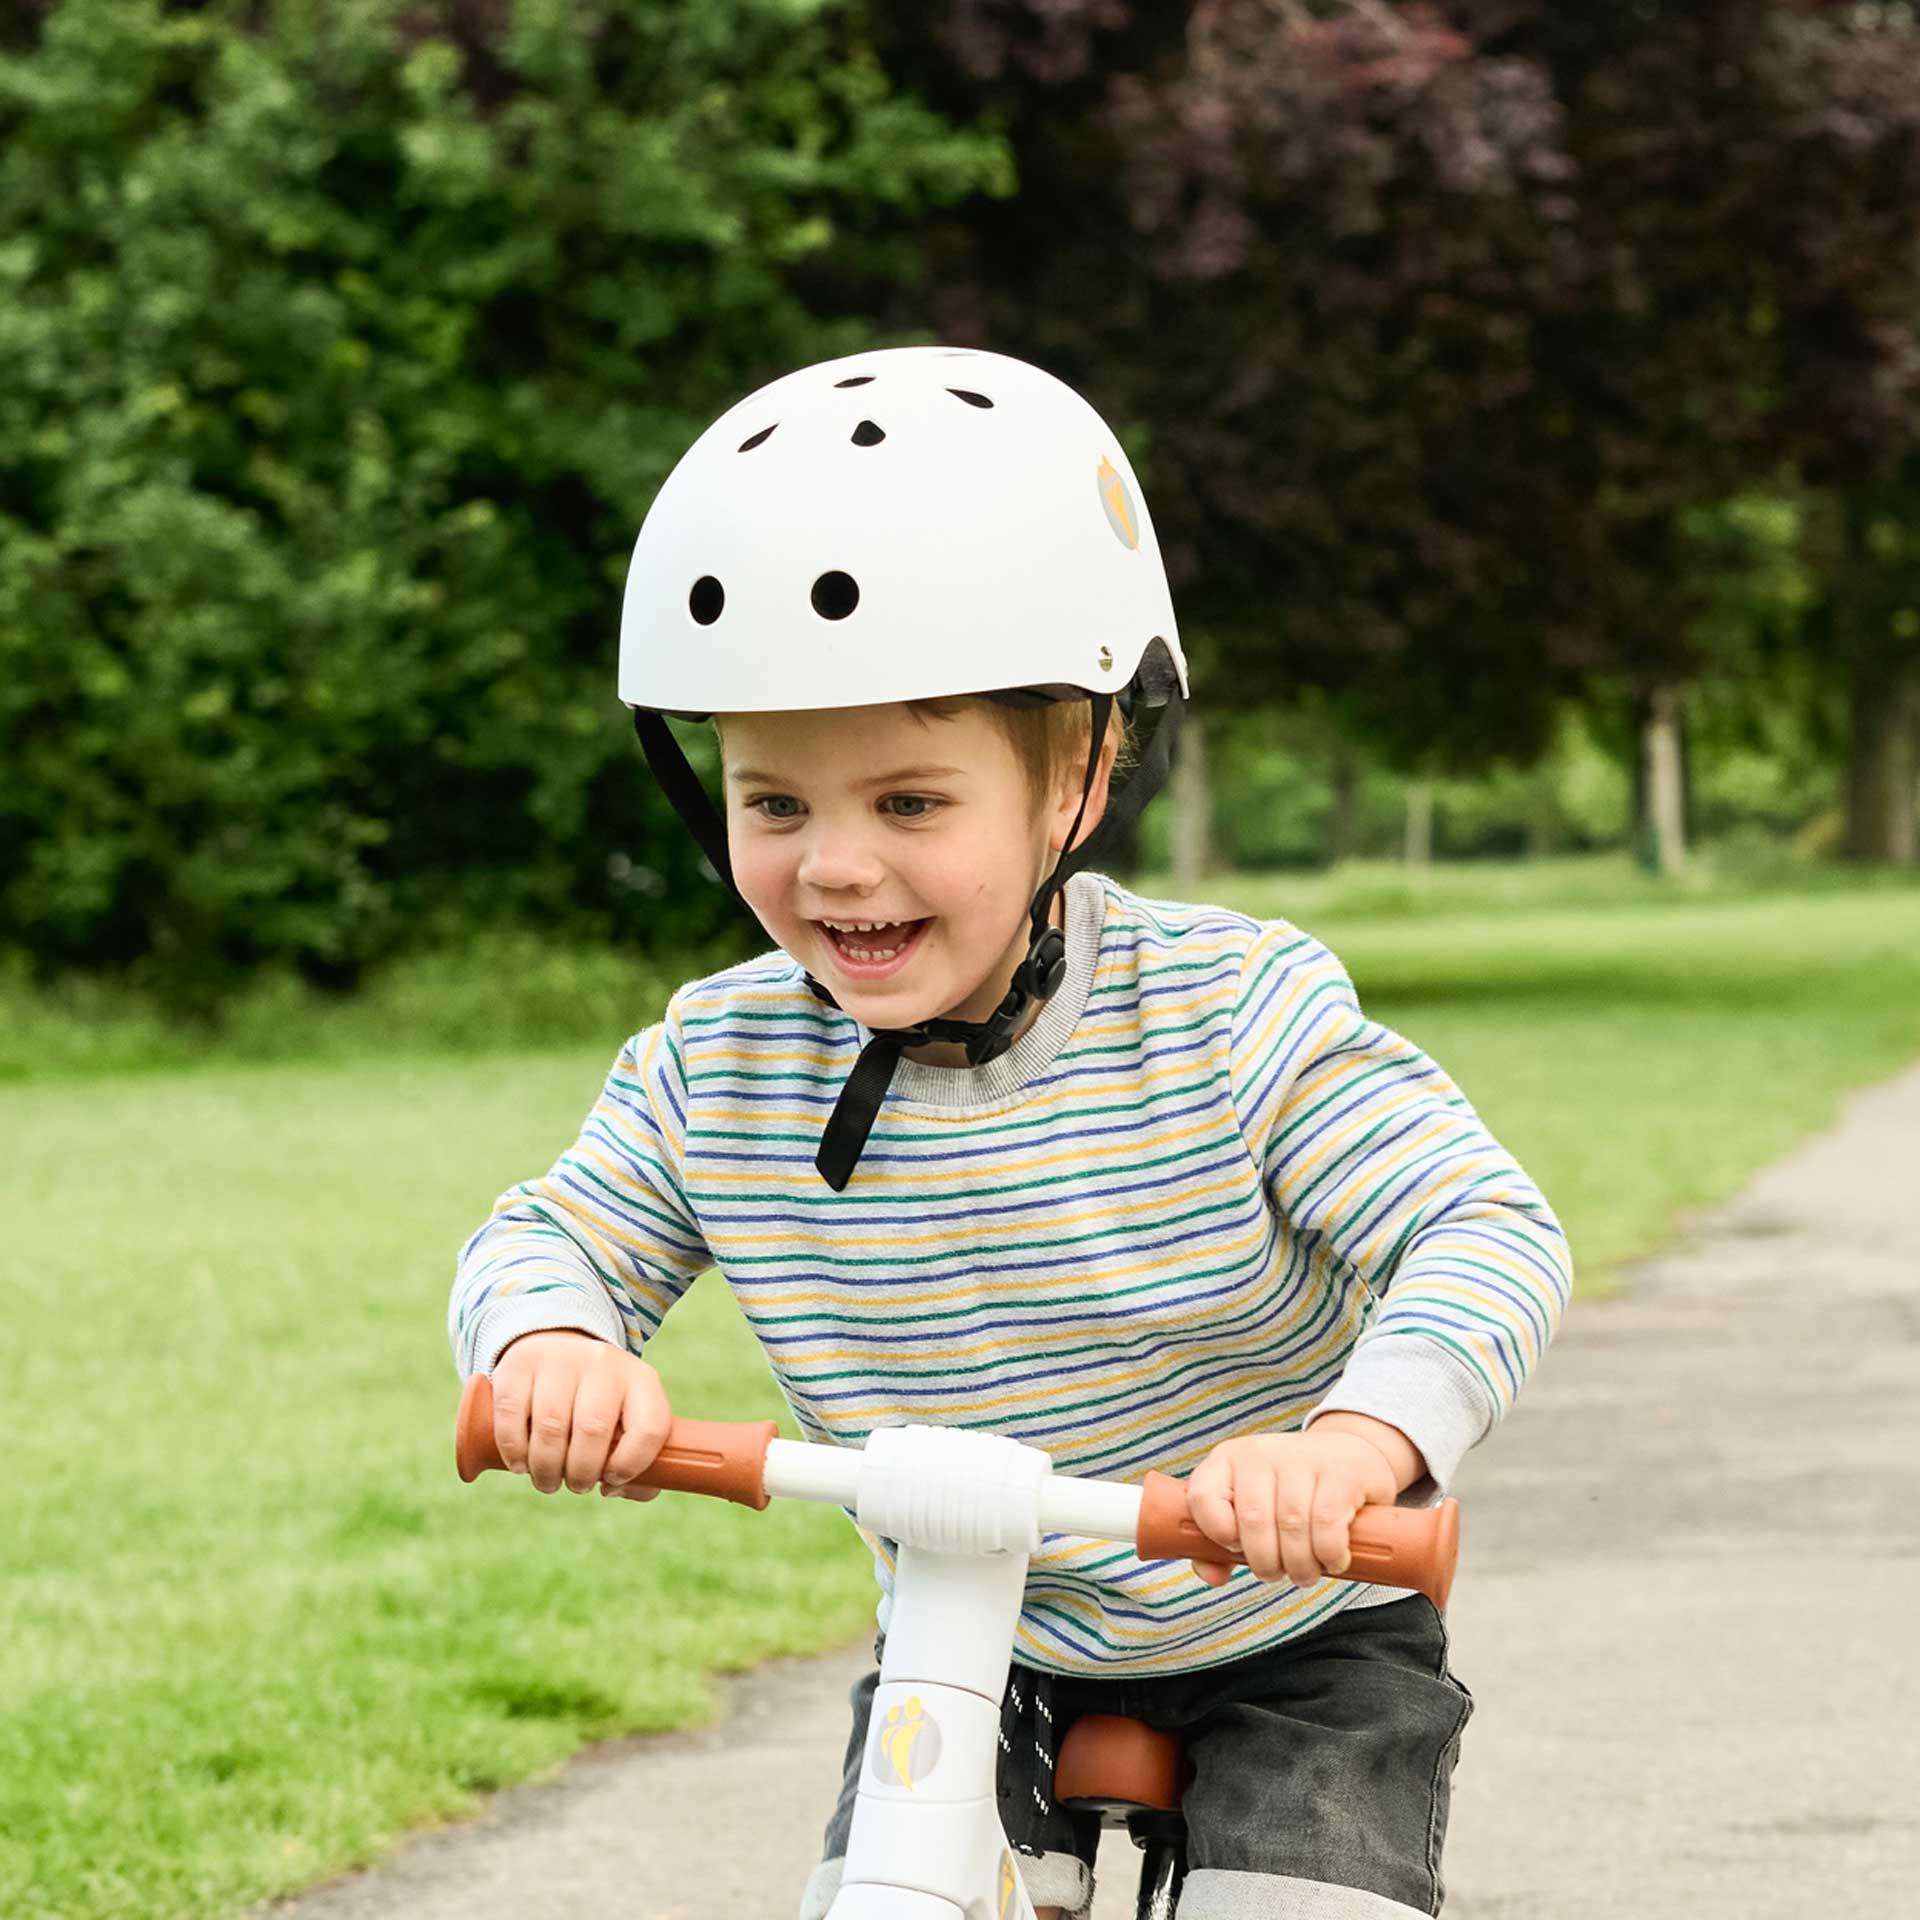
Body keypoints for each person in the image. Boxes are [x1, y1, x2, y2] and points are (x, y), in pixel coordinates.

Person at [448, 346, 1571, 1920]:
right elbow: (547, 1235)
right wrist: (553, 1343)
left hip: (1300, 1626)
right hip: (981, 1637)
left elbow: (1480, 1228)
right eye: (774, 805)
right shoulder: (723, 1062)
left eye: (910, 805)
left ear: (1082, 776)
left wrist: (1355, 1449)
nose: (835, 867)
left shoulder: (1230, 1013)